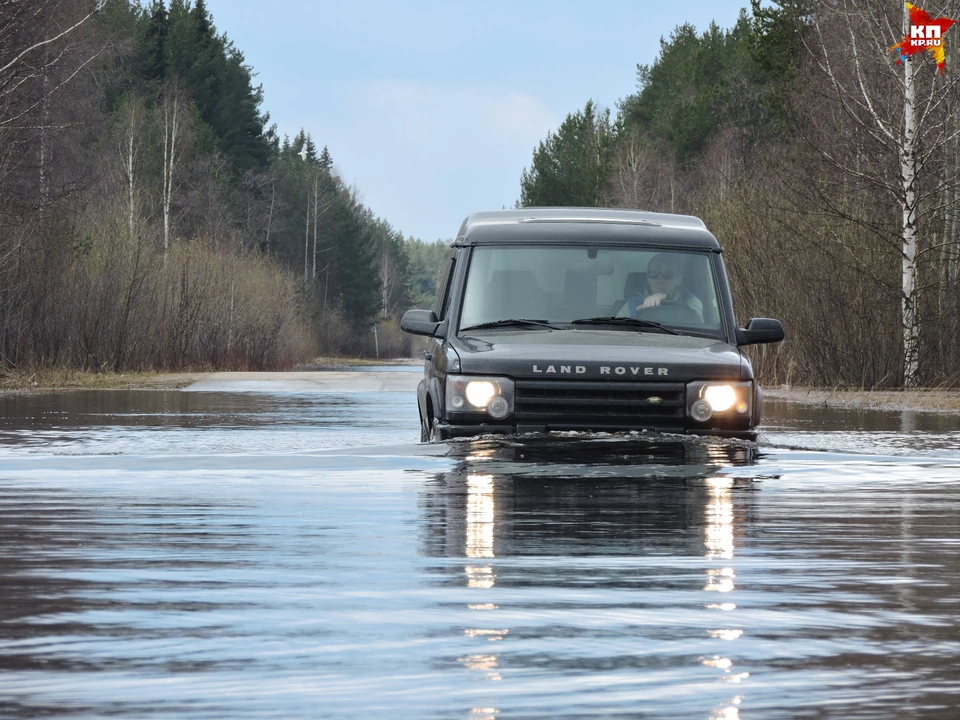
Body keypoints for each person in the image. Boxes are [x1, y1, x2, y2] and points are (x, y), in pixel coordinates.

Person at [622, 253, 703, 322]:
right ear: (648, 279)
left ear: (678, 279)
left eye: (667, 275)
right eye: (654, 274)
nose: (659, 280)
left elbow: (697, 324)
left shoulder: (691, 302)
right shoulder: (633, 303)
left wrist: (667, 299)